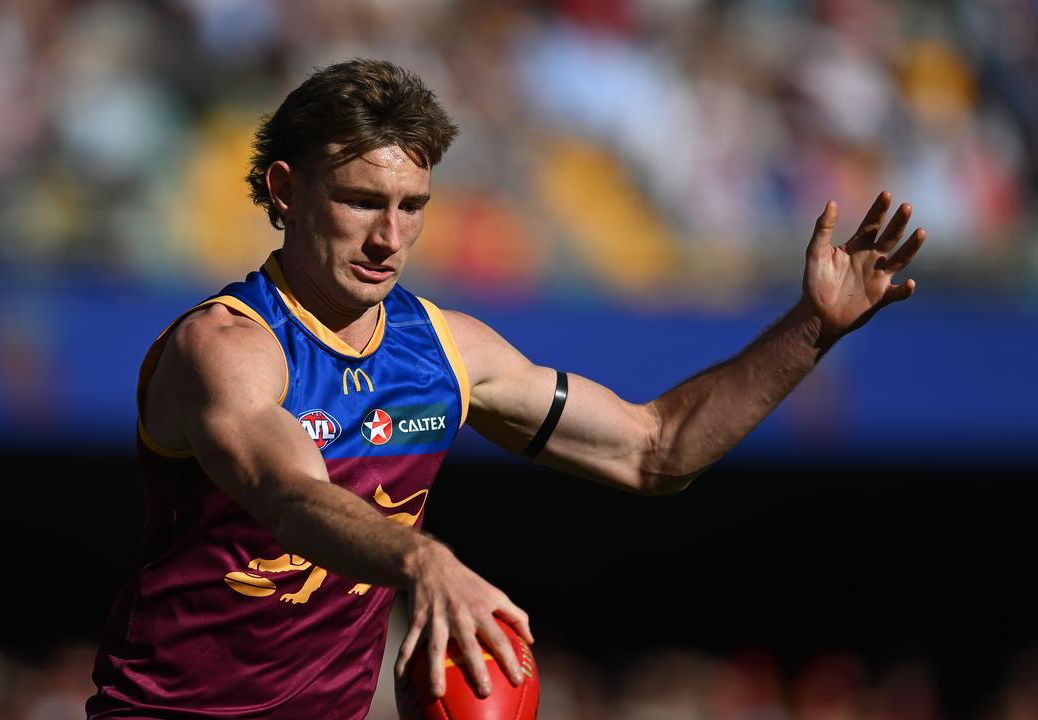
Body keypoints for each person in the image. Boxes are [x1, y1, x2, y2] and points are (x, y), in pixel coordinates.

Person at [86, 58, 925, 719]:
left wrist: (810, 329)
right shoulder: (225, 345)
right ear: (284, 190)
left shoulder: (445, 350)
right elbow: (286, 496)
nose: (389, 237)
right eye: (360, 201)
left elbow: (656, 450)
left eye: (412, 205)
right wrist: (423, 560)